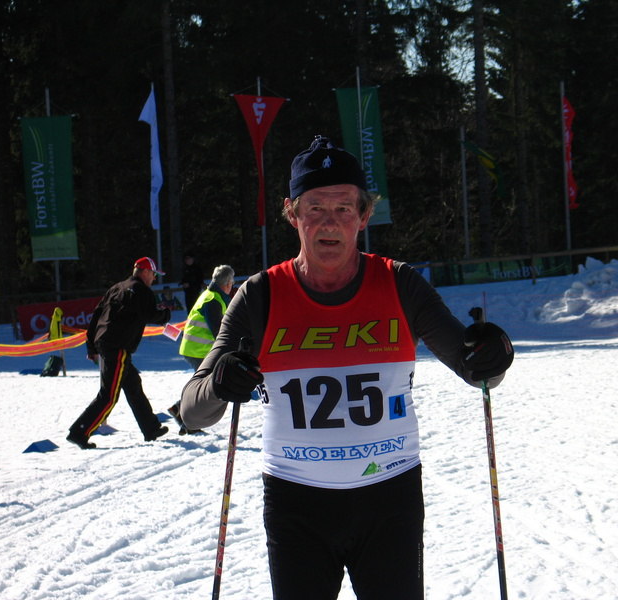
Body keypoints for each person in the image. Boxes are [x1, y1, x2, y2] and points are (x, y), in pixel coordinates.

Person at [178, 136, 514, 599]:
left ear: (364, 215)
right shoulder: (260, 295)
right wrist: (221, 382)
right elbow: (192, 411)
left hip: (389, 499)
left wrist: (494, 354)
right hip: (296, 504)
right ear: (292, 214)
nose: (329, 222)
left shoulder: (399, 283)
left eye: (343, 208)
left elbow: (478, 370)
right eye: (315, 208)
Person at [66, 256, 172, 449]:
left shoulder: (117, 287)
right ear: (145, 272)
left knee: (133, 384)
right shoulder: (141, 290)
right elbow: (150, 315)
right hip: (117, 347)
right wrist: (165, 314)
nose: (154, 278)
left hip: (105, 342)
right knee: (109, 396)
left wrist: (91, 346)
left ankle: (151, 428)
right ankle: (79, 432)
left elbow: (96, 316)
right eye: (153, 274)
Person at [168, 264, 235, 435]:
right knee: (205, 387)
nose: (232, 285)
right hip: (197, 350)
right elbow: (218, 331)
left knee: (204, 386)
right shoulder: (213, 300)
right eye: (232, 282)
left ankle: (181, 412)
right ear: (227, 283)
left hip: (196, 349)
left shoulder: (211, 295)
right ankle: (186, 418)